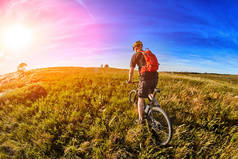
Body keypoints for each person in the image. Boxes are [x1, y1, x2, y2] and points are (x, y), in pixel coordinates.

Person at [128, 40, 159, 124]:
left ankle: (140, 119)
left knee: (140, 98)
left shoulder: (135, 55)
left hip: (145, 76)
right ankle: (158, 108)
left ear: (136, 47)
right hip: (155, 76)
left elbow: (131, 70)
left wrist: (130, 80)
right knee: (150, 93)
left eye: (134, 48)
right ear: (141, 46)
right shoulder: (147, 53)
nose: (134, 50)